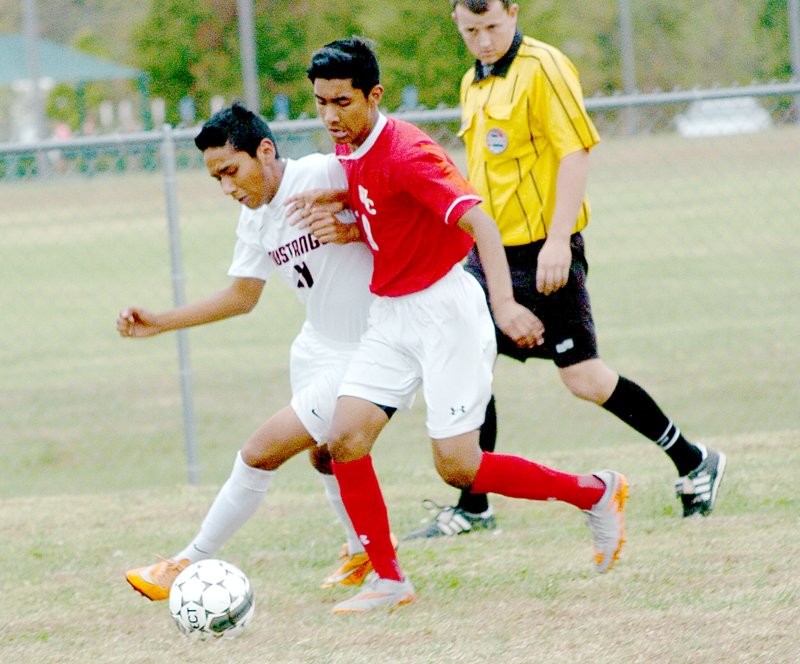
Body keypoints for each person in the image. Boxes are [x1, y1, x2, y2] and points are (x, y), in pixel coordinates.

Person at [296, 36, 628, 615]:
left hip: (446, 312)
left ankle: (594, 493)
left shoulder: (406, 150)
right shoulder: (351, 146)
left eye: (342, 102)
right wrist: (353, 222)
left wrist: (503, 304)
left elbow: (480, 221)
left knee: (458, 468)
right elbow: (387, 209)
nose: (330, 116)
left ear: (373, 96)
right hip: (392, 313)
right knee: (346, 440)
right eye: (321, 102)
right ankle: (389, 580)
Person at [404, 0, 726, 538]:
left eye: (492, 27)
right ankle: (474, 507)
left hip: (544, 252)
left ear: (513, 12)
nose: (483, 41)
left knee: (584, 378)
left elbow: (575, 151)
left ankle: (694, 461)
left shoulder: (543, 66)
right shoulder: (472, 82)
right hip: (489, 256)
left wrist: (558, 241)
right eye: (470, 31)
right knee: (469, 361)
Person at [118, 102, 396, 601]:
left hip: (371, 345)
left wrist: (354, 226)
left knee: (258, 453)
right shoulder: (255, 219)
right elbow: (242, 297)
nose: (228, 188)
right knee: (324, 457)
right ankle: (362, 552)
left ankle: (186, 562)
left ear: (265, 151)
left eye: (232, 171)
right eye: (217, 179)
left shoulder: (321, 173)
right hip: (317, 344)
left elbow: (397, 206)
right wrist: (161, 322)